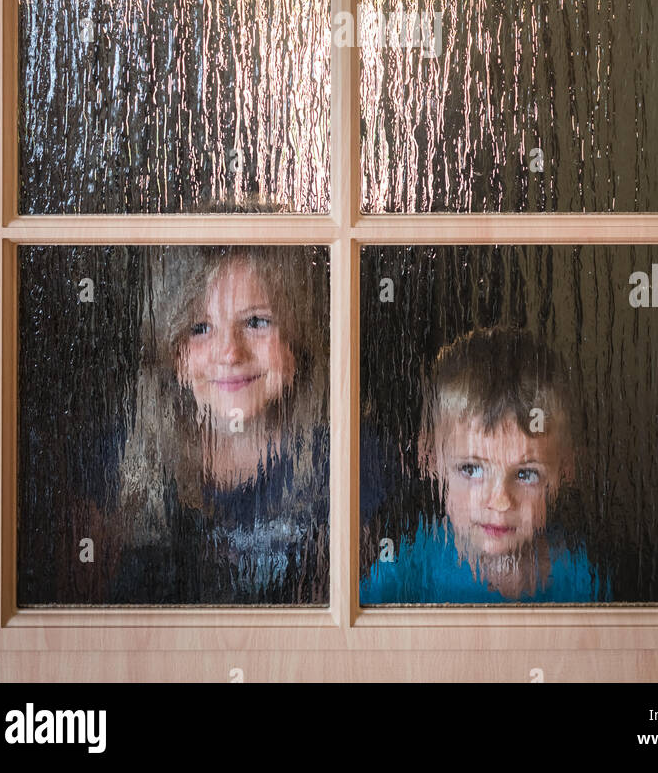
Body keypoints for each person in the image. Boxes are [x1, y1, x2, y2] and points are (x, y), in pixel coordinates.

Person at [106, 243, 329, 605]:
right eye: (200, 328)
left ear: (297, 338)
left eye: (256, 322)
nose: (230, 353)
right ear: (172, 352)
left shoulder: (345, 459)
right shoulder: (130, 458)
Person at [360, 326, 606, 604]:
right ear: (429, 456)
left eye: (526, 474)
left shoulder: (582, 577)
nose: (500, 502)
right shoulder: (406, 574)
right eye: (471, 469)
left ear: (565, 469)